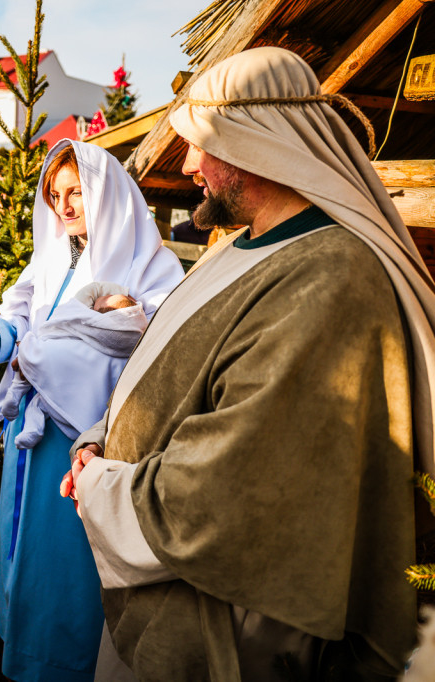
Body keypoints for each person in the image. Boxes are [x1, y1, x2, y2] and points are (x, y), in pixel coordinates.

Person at [62, 47, 435, 681]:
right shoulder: (238, 247)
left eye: (201, 145)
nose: (188, 165)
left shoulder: (329, 275)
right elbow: (170, 368)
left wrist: (100, 486)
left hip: (233, 622)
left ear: (254, 145)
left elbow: (230, 488)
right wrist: (101, 437)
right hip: (169, 597)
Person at [0, 140, 182, 681]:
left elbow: (153, 366)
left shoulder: (153, 268)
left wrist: (48, 351)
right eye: (55, 195)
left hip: (88, 447)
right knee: (30, 562)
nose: (66, 206)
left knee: (72, 571)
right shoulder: (52, 257)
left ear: (106, 192)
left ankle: (67, 665)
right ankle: (29, 657)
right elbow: (21, 325)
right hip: (35, 442)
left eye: (77, 191)